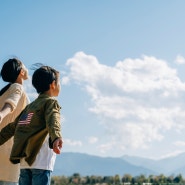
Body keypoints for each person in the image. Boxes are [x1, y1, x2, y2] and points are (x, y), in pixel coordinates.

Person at [0, 64, 63, 185]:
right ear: (53, 84)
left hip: (25, 163)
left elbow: (13, 127)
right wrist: (56, 137)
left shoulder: (29, 107)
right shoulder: (51, 103)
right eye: (59, 83)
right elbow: (53, 120)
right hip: (41, 163)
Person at [0, 58, 29, 185]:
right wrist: (1, 114)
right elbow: (11, 103)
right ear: (21, 71)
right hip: (8, 156)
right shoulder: (17, 87)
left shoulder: (3, 92)